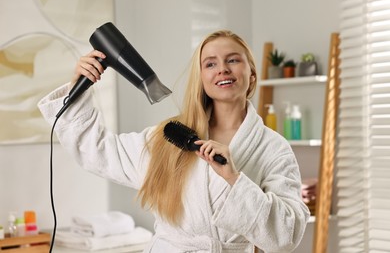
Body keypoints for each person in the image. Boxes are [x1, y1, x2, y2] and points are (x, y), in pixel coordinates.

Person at [38, 30, 310, 253]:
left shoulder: (273, 148)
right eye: (210, 63)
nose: (222, 70)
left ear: (251, 74)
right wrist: (78, 87)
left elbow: (286, 236)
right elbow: (98, 151)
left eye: (233, 60)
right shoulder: (170, 137)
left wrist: (234, 179)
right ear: (202, 78)